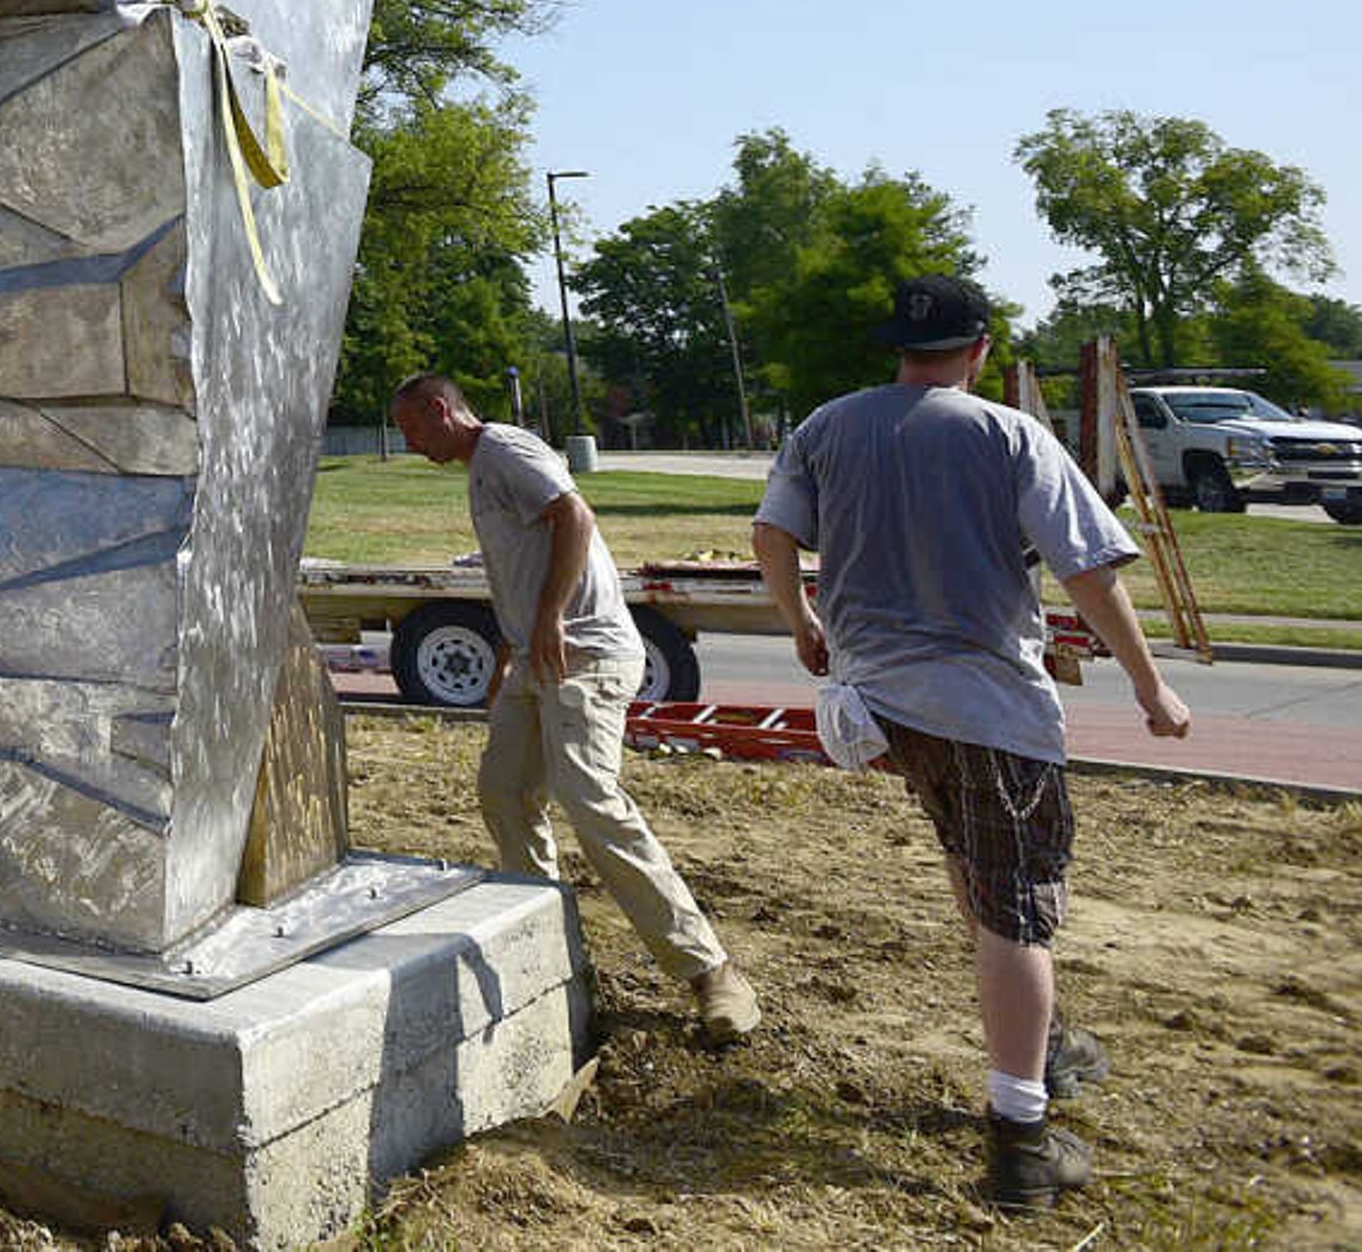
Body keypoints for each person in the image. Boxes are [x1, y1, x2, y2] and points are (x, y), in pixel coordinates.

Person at [753, 272, 1194, 1215]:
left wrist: (800, 619)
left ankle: (1049, 1041)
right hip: (991, 711)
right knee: (1017, 912)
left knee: (972, 865)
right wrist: (1151, 685)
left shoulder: (828, 425)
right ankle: (1022, 1142)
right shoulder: (1006, 434)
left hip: (886, 708)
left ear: (898, 348)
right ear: (981, 350)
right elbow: (1089, 571)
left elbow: (770, 532)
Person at [388, 371, 761, 1044]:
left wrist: (553, 619)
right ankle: (548, 950)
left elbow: (575, 516)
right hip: (537, 660)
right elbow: (519, 567)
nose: (410, 444)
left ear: (441, 411)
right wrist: (511, 649)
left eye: (413, 428)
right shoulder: (480, 470)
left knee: (587, 797)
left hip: (585, 653)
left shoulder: (506, 450)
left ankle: (713, 973)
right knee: (504, 793)